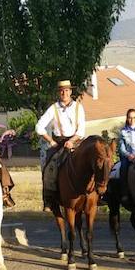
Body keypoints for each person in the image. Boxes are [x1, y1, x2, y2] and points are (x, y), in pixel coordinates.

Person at [35, 80, 86, 210]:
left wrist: (72, 141)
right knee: (49, 167)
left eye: (67, 90)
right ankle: (49, 199)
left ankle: (97, 194)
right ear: (59, 92)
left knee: (92, 162)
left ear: (71, 91)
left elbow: (81, 130)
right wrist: (50, 141)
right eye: (62, 91)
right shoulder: (53, 109)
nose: (64, 93)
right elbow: (39, 127)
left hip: (77, 141)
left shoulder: (78, 107)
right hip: (59, 143)